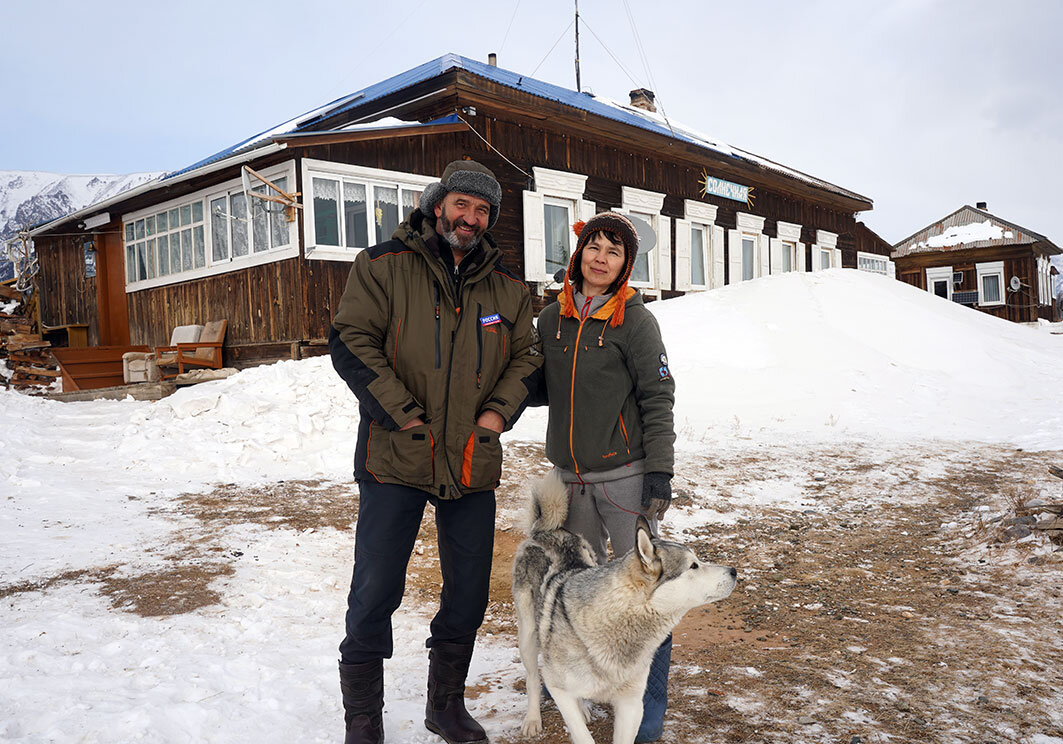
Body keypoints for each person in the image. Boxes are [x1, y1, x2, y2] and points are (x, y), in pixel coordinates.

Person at [329, 159, 542, 744]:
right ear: (438, 203)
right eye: (461, 205)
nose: (470, 218)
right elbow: (351, 341)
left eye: (482, 211)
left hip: (470, 459)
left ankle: (444, 705)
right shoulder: (382, 266)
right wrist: (406, 414)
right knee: (375, 587)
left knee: (469, 590)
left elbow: (528, 358)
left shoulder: (508, 290)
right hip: (395, 456)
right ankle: (364, 720)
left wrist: (495, 415)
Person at [535, 212, 676, 742]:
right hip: (569, 479)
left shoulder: (635, 322)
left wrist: (658, 470)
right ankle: (573, 677)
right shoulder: (552, 320)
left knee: (647, 589)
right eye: (593, 247)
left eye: (613, 251)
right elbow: (536, 382)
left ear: (625, 265)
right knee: (574, 586)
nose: (600, 257)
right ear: (578, 256)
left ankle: (647, 700)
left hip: (624, 477)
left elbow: (658, 396)